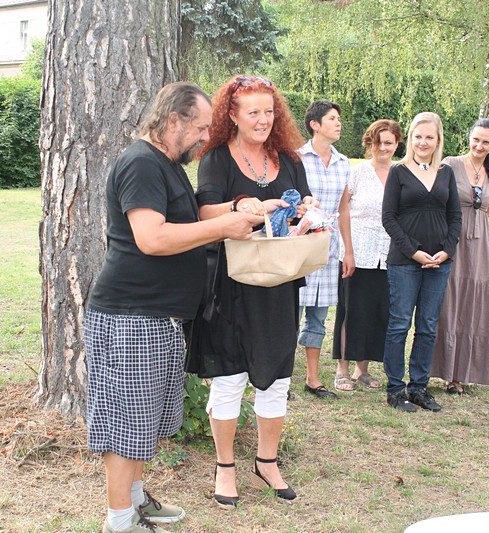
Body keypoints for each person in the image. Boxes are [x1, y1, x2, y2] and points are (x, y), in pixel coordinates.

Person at [84, 82, 264, 533]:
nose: (205, 138)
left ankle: (136, 501)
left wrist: (239, 208)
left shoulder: (165, 163)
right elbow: (152, 238)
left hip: (157, 317)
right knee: (127, 425)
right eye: (200, 128)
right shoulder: (141, 163)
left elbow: (189, 219)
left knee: (143, 421)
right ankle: (119, 521)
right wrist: (224, 228)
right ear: (173, 120)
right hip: (131, 316)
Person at [186, 75, 317, 507]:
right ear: (232, 114)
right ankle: (225, 468)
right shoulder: (216, 158)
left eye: (269, 111)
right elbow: (204, 212)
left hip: (279, 284)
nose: (263, 119)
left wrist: (307, 208)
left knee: (276, 379)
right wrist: (239, 206)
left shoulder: (289, 159)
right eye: (253, 112)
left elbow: (304, 204)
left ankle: (267, 462)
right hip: (231, 284)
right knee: (229, 378)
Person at [381, 111, 462, 413]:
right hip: (404, 262)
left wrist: (447, 250)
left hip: (438, 263)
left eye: (429, 137)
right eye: (418, 136)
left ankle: (418, 388)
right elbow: (389, 218)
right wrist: (414, 251)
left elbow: (455, 216)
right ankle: (395, 389)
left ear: (438, 139)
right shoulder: (399, 172)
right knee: (399, 324)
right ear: (411, 138)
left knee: (427, 326)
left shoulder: (446, 173)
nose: (423, 142)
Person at [431, 118, 489, 394]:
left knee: (471, 305)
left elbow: (486, 212)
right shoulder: (450, 164)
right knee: (447, 300)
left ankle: (460, 374)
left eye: (486, 142)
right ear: (469, 137)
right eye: (476, 139)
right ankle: (437, 368)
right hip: (451, 240)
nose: (479, 146)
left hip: (479, 247)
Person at [332, 119, 403, 391]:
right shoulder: (357, 173)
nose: (383, 148)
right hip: (357, 252)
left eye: (388, 143)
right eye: (378, 142)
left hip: (388, 255)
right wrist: (348, 251)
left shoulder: (401, 173)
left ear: (397, 144)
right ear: (370, 143)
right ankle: (342, 369)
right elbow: (343, 212)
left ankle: (362, 369)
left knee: (376, 312)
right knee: (351, 310)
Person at [296, 99, 352, 399]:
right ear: (314, 124)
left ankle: (313, 378)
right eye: (332, 118)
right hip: (300, 245)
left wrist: (349, 251)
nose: (338, 123)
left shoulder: (344, 163)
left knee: (318, 316)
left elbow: (344, 210)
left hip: (329, 248)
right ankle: (278, 377)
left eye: (338, 118)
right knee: (290, 315)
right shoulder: (296, 158)